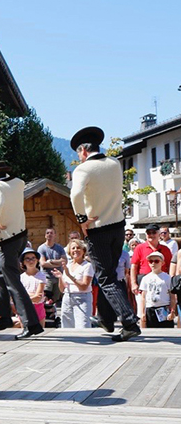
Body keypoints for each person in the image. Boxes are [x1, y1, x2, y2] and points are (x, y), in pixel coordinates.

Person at [69, 126, 140, 341]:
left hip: (98, 229)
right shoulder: (114, 163)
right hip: (118, 226)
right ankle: (106, 318)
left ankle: (129, 322)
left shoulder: (83, 169)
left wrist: (82, 220)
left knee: (106, 277)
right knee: (108, 273)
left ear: (82, 150)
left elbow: (75, 196)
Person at [0, 159, 43, 338]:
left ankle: (31, 324)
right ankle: (4, 317)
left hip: (7, 239)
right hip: (21, 235)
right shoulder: (18, 183)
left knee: (13, 282)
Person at [52, 239, 95, 328]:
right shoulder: (68, 266)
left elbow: (84, 286)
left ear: (83, 250)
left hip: (82, 298)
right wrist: (60, 277)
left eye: (78, 248)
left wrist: (69, 275)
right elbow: (62, 289)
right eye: (73, 248)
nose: (75, 250)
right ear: (70, 252)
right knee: (66, 326)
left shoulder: (87, 266)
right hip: (67, 298)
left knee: (82, 325)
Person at [138, 251, 176, 328]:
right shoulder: (145, 278)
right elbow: (143, 297)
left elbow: (172, 297)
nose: (153, 264)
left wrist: (172, 311)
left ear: (162, 263)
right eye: (151, 261)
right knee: (152, 330)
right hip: (150, 308)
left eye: (156, 261)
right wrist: (142, 313)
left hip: (164, 308)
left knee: (166, 330)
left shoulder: (167, 278)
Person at [38, 228, 67, 306]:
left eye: (51, 233)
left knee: (55, 299)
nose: (49, 234)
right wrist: (58, 263)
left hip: (58, 277)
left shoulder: (59, 248)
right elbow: (43, 263)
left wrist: (51, 261)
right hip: (47, 277)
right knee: (46, 297)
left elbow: (64, 260)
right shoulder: (41, 248)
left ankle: (52, 316)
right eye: (47, 233)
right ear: (45, 235)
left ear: (55, 235)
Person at [20, 248, 47, 328]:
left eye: (33, 258)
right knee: (24, 330)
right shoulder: (21, 278)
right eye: (27, 259)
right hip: (24, 308)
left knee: (40, 332)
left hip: (38, 307)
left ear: (37, 260)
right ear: (23, 262)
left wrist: (25, 297)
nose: (31, 261)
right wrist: (31, 296)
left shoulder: (41, 276)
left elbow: (38, 297)